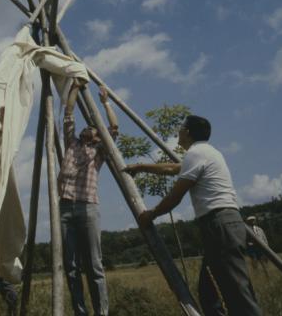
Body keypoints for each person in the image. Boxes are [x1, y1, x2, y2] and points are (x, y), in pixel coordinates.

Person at [128, 115, 261, 316]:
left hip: (219, 223)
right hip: (222, 223)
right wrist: (141, 167)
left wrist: (152, 214)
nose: (178, 132)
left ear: (187, 132)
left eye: (181, 128)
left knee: (236, 290)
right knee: (209, 290)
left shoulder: (196, 153)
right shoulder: (205, 152)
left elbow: (176, 195)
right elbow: (174, 169)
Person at [58, 81, 118, 316]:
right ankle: (80, 312)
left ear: (96, 136)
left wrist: (105, 102)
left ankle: (101, 312)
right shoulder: (71, 144)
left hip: (87, 209)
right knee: (71, 267)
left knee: (94, 265)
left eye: (92, 128)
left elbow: (113, 127)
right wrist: (74, 88)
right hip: (64, 208)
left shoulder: (98, 152)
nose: (88, 128)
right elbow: (68, 112)